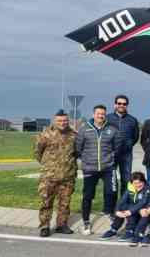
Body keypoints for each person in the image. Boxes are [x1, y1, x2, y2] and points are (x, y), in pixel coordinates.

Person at [75, 104, 119, 235]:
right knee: (88, 195)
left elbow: (117, 147)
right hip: (90, 168)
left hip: (107, 167)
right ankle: (86, 221)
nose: (101, 116)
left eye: (103, 114)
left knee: (111, 191)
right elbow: (78, 148)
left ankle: (110, 213)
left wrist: (111, 158)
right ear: (94, 114)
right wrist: (86, 160)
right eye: (98, 113)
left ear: (105, 115)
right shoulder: (84, 129)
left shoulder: (112, 129)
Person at [35, 109, 78, 237]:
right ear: (55, 120)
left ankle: (61, 225)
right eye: (60, 120)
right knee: (46, 202)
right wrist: (49, 166)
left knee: (65, 203)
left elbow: (76, 153)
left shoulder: (73, 135)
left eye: (65, 120)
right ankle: (45, 226)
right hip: (49, 176)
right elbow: (37, 152)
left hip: (67, 176)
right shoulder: (45, 134)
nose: (63, 123)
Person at [100, 172, 150, 242]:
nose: (138, 185)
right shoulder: (130, 188)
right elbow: (121, 200)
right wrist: (117, 211)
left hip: (143, 211)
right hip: (132, 210)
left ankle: (130, 230)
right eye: (135, 183)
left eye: (140, 182)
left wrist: (130, 211)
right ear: (132, 183)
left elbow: (143, 202)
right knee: (123, 207)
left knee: (129, 209)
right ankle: (114, 229)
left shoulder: (147, 189)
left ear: (144, 181)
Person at [107, 95, 140, 197]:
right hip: (111, 154)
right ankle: (110, 207)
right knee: (112, 181)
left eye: (124, 104)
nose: (121, 105)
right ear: (115, 105)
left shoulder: (132, 120)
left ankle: (123, 204)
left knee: (126, 180)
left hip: (126, 155)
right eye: (119, 103)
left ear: (127, 106)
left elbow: (135, 136)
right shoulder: (107, 118)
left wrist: (128, 144)